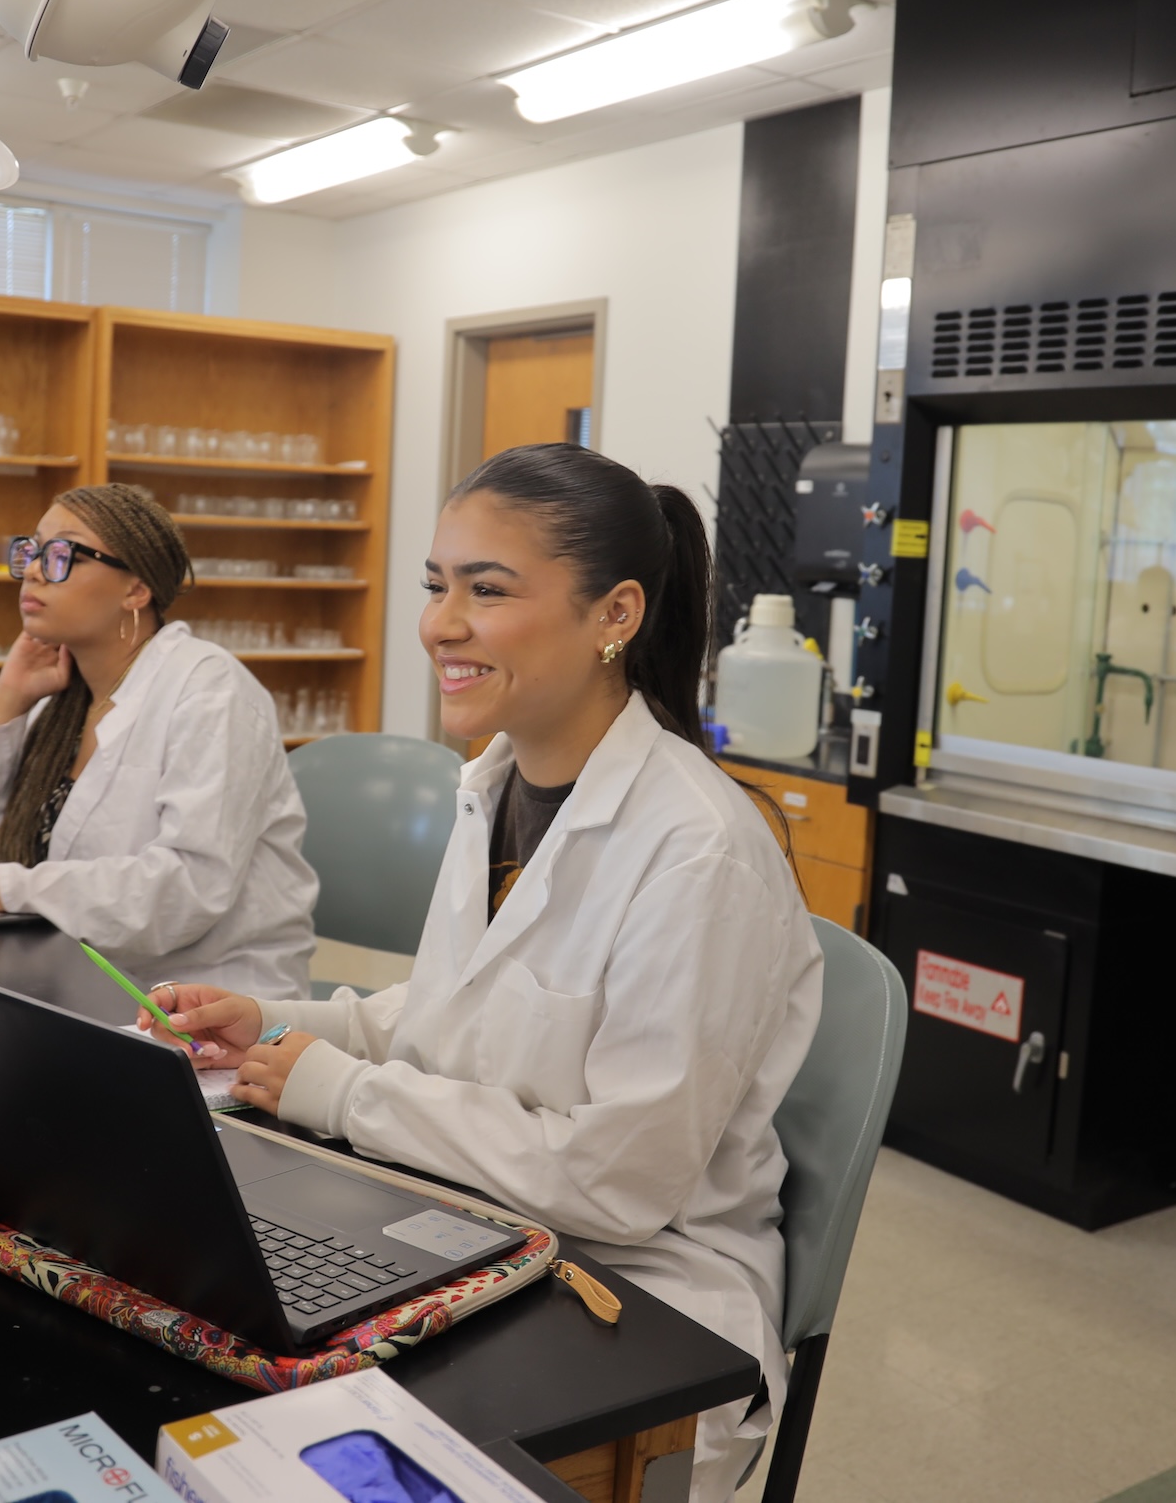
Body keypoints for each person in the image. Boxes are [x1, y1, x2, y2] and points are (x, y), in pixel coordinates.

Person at [145, 445, 822, 1502]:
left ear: (615, 614)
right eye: (435, 583)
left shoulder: (697, 849)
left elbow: (619, 1179)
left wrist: (337, 1088)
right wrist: (269, 1018)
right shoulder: (497, 781)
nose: (439, 622)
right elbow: (459, 1012)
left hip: (637, 1300)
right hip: (473, 1222)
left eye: (486, 588)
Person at [0, 482, 316, 1001]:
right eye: (32, 551)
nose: (37, 569)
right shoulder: (60, 706)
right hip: (77, 982)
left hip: (210, 1009)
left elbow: (188, 890)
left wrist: (11, 887)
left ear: (135, 590)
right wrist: (6, 701)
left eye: (62, 553)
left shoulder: (209, 691)